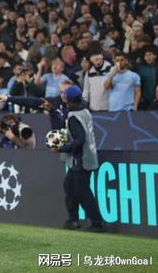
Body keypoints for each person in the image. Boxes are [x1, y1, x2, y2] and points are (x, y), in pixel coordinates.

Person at [51, 85, 105, 232]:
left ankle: (97, 223)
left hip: (81, 159)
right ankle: (73, 220)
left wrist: (62, 148)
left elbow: (79, 140)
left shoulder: (73, 117)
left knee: (82, 192)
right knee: (69, 186)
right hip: (88, 155)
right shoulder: (84, 110)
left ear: (68, 99)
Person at [0, 80, 74, 131]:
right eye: (61, 92)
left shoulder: (78, 105)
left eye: (66, 92)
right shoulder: (53, 102)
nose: (63, 95)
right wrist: (9, 98)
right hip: (59, 139)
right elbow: (32, 101)